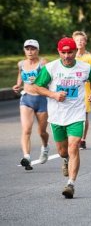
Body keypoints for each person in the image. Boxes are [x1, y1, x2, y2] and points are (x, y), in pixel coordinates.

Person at [32, 37, 91, 199]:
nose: (67, 56)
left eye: (70, 52)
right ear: (59, 52)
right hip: (57, 115)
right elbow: (37, 87)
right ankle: (66, 160)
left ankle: (71, 184)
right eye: (64, 52)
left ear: (76, 51)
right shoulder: (50, 68)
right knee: (63, 151)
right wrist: (53, 94)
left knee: (74, 146)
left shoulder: (84, 67)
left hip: (76, 114)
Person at [12, 39, 49, 170]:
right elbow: (20, 75)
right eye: (27, 49)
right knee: (26, 129)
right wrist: (18, 85)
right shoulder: (21, 63)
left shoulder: (43, 63)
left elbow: (50, 77)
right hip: (26, 99)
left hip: (42, 99)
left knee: (42, 131)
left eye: (33, 49)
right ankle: (26, 157)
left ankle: (45, 147)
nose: (30, 51)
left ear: (37, 50)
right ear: (24, 50)